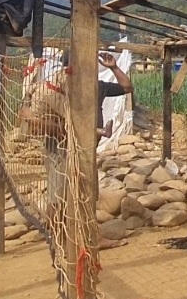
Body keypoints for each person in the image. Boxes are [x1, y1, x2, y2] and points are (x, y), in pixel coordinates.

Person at [18, 50, 133, 247]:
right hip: (62, 148)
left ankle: (67, 237)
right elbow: (38, 120)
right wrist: (32, 117)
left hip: (85, 148)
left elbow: (126, 87)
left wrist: (114, 67)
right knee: (64, 193)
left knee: (80, 192)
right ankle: (72, 238)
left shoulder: (98, 86)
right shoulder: (60, 86)